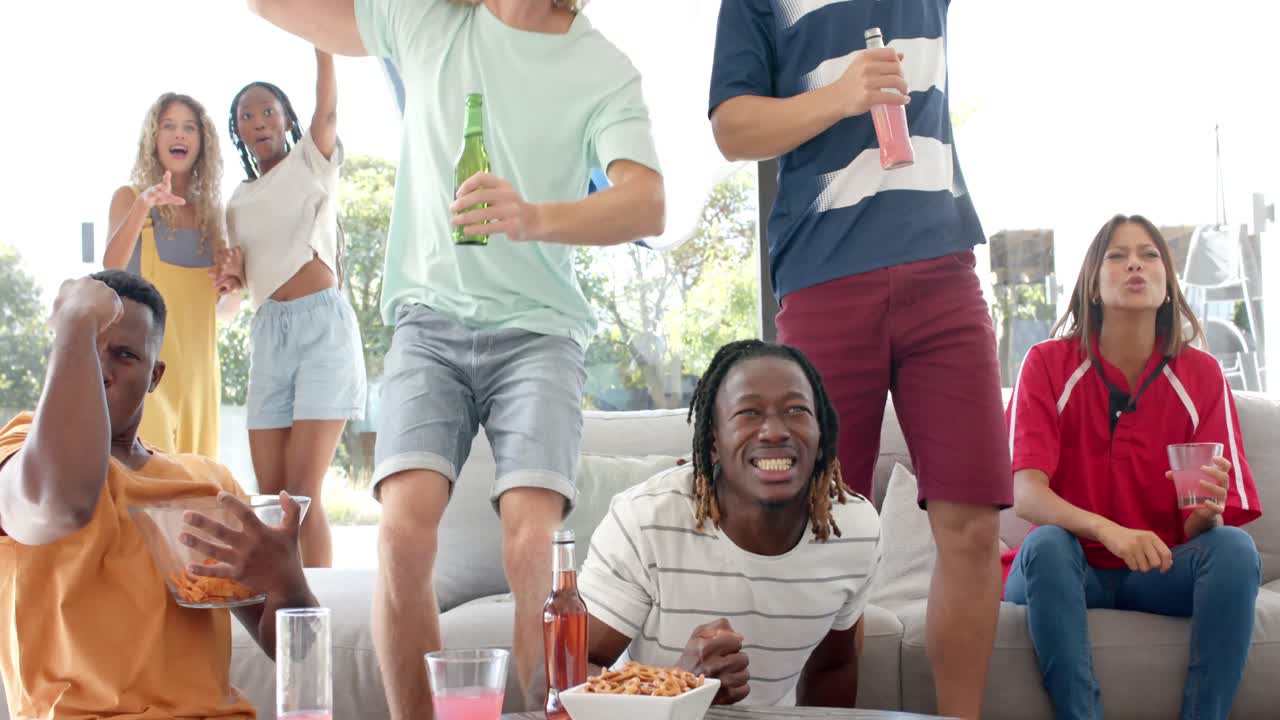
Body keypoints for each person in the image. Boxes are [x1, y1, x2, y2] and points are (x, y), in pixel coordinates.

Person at [245, 0, 666, 716]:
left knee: (532, 541)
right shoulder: (427, 20)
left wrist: (532, 217)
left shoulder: (602, 67)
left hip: (540, 330)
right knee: (402, 536)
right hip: (428, 327)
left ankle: (541, 715)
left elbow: (647, 204)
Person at [708, 2, 1009, 716]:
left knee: (972, 526)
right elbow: (732, 129)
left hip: (943, 266)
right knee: (820, 535)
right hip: (825, 274)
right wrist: (841, 96)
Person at [0, 270, 317, 719]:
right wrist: (75, 318)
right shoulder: (18, 456)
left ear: (154, 375)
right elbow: (60, 503)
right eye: (87, 351)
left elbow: (299, 658)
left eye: (124, 355)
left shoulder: (211, 485)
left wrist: (289, 583)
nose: (102, 372)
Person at [1004, 214, 1262, 720]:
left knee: (1233, 547)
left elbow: (1199, 525)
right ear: (1093, 286)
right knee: (1048, 544)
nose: (1134, 265)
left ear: (1167, 285)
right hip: (1065, 567)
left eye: (1148, 255)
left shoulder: (1203, 375)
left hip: (1160, 570)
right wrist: (1112, 532)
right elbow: (1027, 495)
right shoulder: (1047, 363)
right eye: (1117, 256)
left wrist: (1208, 513)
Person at [581, 340, 881, 707]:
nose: (774, 431)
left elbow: (833, 668)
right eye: (749, 413)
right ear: (713, 441)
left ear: (822, 438)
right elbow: (569, 670)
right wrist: (678, 686)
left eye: (796, 409)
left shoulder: (854, 530)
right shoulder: (644, 523)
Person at [217, 47, 367, 569]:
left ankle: (319, 612)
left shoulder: (312, 160)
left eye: (268, 112)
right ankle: (284, 611)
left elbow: (327, 108)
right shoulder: (234, 204)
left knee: (301, 497)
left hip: (322, 329)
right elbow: (233, 297)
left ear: (286, 120)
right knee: (272, 496)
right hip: (269, 334)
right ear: (237, 132)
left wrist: (322, 41)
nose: (258, 122)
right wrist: (230, 281)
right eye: (246, 116)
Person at [105, 92, 234, 458]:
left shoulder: (212, 214)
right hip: (146, 376)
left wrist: (235, 283)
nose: (180, 135)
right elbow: (110, 270)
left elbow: (224, 309)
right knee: (149, 485)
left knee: (196, 495)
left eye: (189, 128)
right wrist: (145, 203)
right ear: (154, 138)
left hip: (200, 380)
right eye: (169, 126)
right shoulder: (130, 198)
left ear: (201, 142)